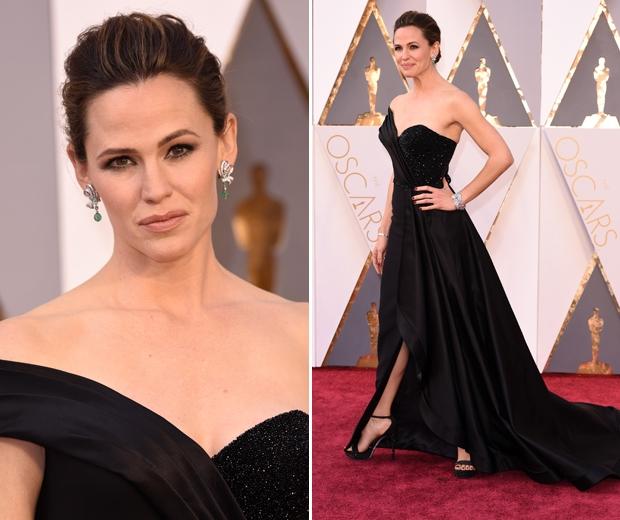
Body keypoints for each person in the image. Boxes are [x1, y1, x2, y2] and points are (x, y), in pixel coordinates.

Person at [0, 13, 308, 519]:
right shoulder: (19, 360)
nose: (156, 189)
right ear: (82, 167)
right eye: (121, 161)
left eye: (179, 149)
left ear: (226, 141)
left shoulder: (303, 336)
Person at [344, 10, 620, 491]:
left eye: (413, 46)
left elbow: (501, 155)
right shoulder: (396, 102)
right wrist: (383, 231)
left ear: (435, 48)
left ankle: (456, 434)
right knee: (404, 325)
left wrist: (457, 199)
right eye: (398, 47)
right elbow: (396, 173)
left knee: (445, 329)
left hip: (441, 234)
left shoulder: (455, 100)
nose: (404, 55)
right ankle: (389, 416)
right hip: (405, 231)